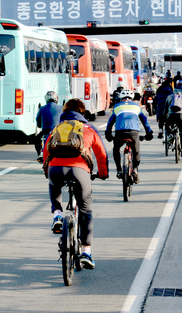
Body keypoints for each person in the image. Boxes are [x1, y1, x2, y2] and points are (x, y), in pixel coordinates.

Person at [43, 98, 109, 269]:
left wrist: (47, 171)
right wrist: (103, 173)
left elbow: (46, 151)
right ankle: (86, 252)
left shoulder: (57, 128)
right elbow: (101, 154)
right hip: (80, 171)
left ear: (65, 111)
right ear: (83, 112)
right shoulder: (88, 128)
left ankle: (57, 214)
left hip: (56, 168)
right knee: (86, 209)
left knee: (54, 185)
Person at [105, 89, 154, 183]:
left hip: (120, 132)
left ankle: (119, 169)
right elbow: (144, 120)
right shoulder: (137, 107)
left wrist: (108, 134)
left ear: (121, 98)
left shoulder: (116, 106)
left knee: (116, 149)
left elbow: (110, 122)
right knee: (136, 152)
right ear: (132, 98)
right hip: (133, 132)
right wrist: (149, 133)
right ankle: (135, 169)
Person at [35, 91, 63, 162]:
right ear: (56, 99)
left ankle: (39, 154)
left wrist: (39, 125)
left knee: (37, 140)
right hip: (58, 131)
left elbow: (38, 121)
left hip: (46, 131)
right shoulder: (61, 108)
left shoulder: (42, 108)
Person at [164, 87, 182, 158]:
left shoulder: (169, 97)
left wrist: (164, 118)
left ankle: (170, 135)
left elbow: (166, 109)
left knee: (168, 125)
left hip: (171, 116)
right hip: (181, 117)